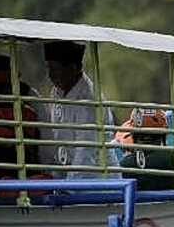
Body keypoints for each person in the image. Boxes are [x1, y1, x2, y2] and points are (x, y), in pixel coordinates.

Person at [41, 41, 120, 178]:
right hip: (70, 171)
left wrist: (69, 187)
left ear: (72, 69)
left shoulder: (88, 100)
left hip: (97, 179)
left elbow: (85, 152)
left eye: (55, 69)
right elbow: (56, 137)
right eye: (49, 68)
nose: (50, 75)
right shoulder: (56, 92)